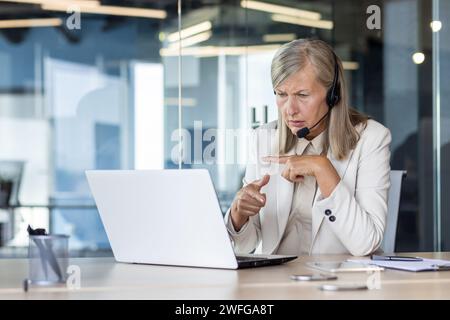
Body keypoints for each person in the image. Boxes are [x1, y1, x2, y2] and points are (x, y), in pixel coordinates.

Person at [224, 39, 391, 256]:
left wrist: (324, 169)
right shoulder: (264, 138)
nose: (290, 109)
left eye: (302, 95)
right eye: (281, 94)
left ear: (333, 95)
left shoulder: (371, 139)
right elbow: (245, 247)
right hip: (277, 282)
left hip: (340, 282)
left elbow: (365, 243)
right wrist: (239, 217)